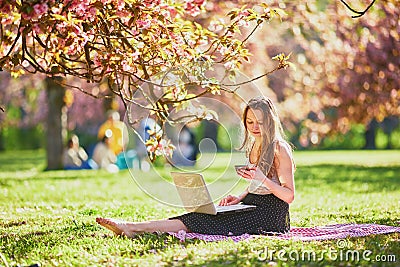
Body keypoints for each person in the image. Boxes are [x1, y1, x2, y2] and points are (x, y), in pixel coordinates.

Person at [96, 96, 295, 236]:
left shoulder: (279, 149)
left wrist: (263, 179)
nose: (254, 127)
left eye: (259, 122)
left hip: (271, 214)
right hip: (252, 203)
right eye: (249, 122)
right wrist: (239, 197)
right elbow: (257, 185)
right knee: (200, 215)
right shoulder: (254, 144)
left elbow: (288, 195)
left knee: (205, 221)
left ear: (270, 121)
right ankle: (134, 227)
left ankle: (133, 228)